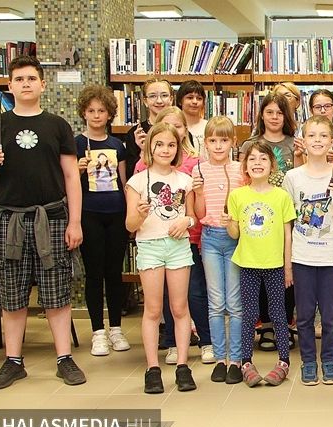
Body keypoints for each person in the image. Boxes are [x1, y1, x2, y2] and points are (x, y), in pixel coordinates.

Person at [0, 55, 85, 389]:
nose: (25, 84)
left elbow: (71, 176)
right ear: (9, 86)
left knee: (56, 291)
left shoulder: (57, 126)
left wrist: (75, 222)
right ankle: (13, 360)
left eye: (31, 78)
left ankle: (64, 358)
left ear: (42, 84)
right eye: (19, 79)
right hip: (8, 219)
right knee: (11, 293)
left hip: (51, 217)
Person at [124, 121, 197, 394]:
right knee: (153, 310)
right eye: (159, 144)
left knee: (180, 308)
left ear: (178, 148)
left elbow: (192, 215)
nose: (165, 150)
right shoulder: (136, 182)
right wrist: (140, 215)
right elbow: (130, 225)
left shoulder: (184, 180)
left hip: (178, 246)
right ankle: (152, 368)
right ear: (149, 148)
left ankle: (182, 366)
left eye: (171, 145)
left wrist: (186, 222)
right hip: (150, 246)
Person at [283, 115, 333, 386]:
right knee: (304, 316)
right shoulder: (293, 177)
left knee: (331, 316)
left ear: (332, 141)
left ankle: (329, 360)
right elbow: (289, 221)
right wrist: (288, 261)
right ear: (303, 140)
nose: (317, 140)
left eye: (323, 136)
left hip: (330, 257)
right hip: (302, 256)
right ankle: (309, 361)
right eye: (312, 135)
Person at [226, 141, 295, 387]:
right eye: (252, 159)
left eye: (263, 158)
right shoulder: (237, 196)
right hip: (248, 264)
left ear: (272, 165)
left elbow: (287, 234)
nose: (257, 163)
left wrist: (288, 266)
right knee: (250, 314)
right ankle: (246, 361)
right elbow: (234, 234)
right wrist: (229, 222)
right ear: (245, 166)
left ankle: (283, 361)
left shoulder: (281, 196)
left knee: (278, 313)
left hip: (275, 265)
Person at [75, 85, 130, 357]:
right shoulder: (76, 144)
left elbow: (124, 181)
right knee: (94, 273)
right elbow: (67, 182)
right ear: (84, 113)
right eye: (91, 111)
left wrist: (130, 214)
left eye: (102, 111)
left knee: (114, 273)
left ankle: (116, 329)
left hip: (116, 213)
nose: (96, 115)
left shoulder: (117, 145)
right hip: (89, 214)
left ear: (110, 114)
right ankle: (98, 331)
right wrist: (77, 169)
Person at [192, 116, 245, 384]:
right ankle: (220, 358)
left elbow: (246, 205)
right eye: (213, 141)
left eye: (223, 140)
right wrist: (199, 193)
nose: (218, 146)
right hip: (210, 238)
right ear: (206, 143)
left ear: (233, 142)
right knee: (216, 303)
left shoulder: (239, 170)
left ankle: (235, 359)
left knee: (234, 302)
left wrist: (235, 221)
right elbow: (198, 213)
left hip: (234, 238)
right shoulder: (199, 170)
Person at [124, 77, 173, 177]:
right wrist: (143, 151)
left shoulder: (179, 130)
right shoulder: (135, 133)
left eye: (164, 95)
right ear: (145, 101)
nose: (159, 101)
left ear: (171, 99)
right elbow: (130, 174)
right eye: (152, 96)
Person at [176, 80, 208, 157]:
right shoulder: (174, 126)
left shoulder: (209, 126)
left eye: (199, 98)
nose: (195, 102)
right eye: (190, 97)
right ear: (180, 101)